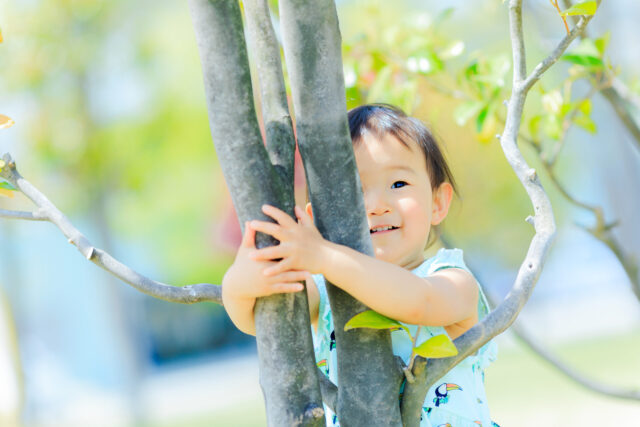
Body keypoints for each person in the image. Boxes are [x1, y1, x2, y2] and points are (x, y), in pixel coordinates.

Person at [222, 104, 498, 427]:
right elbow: (261, 315)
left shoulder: (453, 281)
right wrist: (243, 279)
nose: (377, 206)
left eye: (398, 185)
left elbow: (419, 301)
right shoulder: (327, 295)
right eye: (355, 191)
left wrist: (323, 255)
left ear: (438, 203)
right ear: (317, 220)